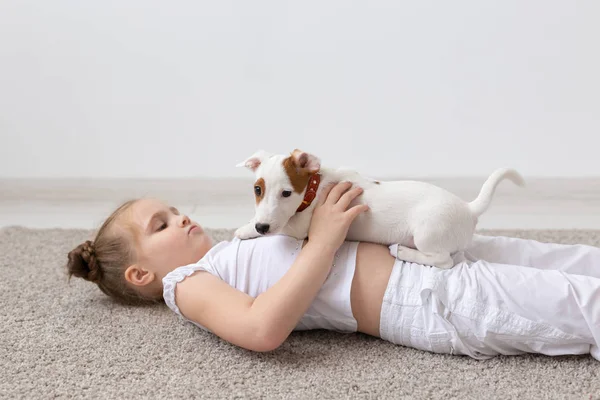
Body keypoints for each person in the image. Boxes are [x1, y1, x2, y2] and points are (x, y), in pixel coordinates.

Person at [66, 182, 600, 360]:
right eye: (162, 225)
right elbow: (260, 329)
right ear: (141, 275)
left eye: (174, 209)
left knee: (555, 259)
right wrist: (322, 241)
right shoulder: (187, 286)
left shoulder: (237, 241)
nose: (181, 217)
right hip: (423, 298)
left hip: (426, 250)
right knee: (569, 303)